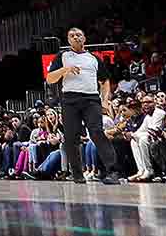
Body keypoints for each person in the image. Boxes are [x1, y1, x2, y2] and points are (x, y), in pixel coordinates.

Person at [45, 27, 121, 184]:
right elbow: (50, 79)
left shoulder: (93, 58)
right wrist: (65, 70)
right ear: (68, 40)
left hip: (91, 99)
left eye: (79, 35)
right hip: (69, 100)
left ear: (84, 38)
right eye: (72, 36)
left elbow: (105, 81)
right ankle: (78, 174)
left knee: (97, 132)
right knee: (71, 137)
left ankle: (113, 171)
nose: (76, 37)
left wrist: (105, 100)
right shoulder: (62, 56)